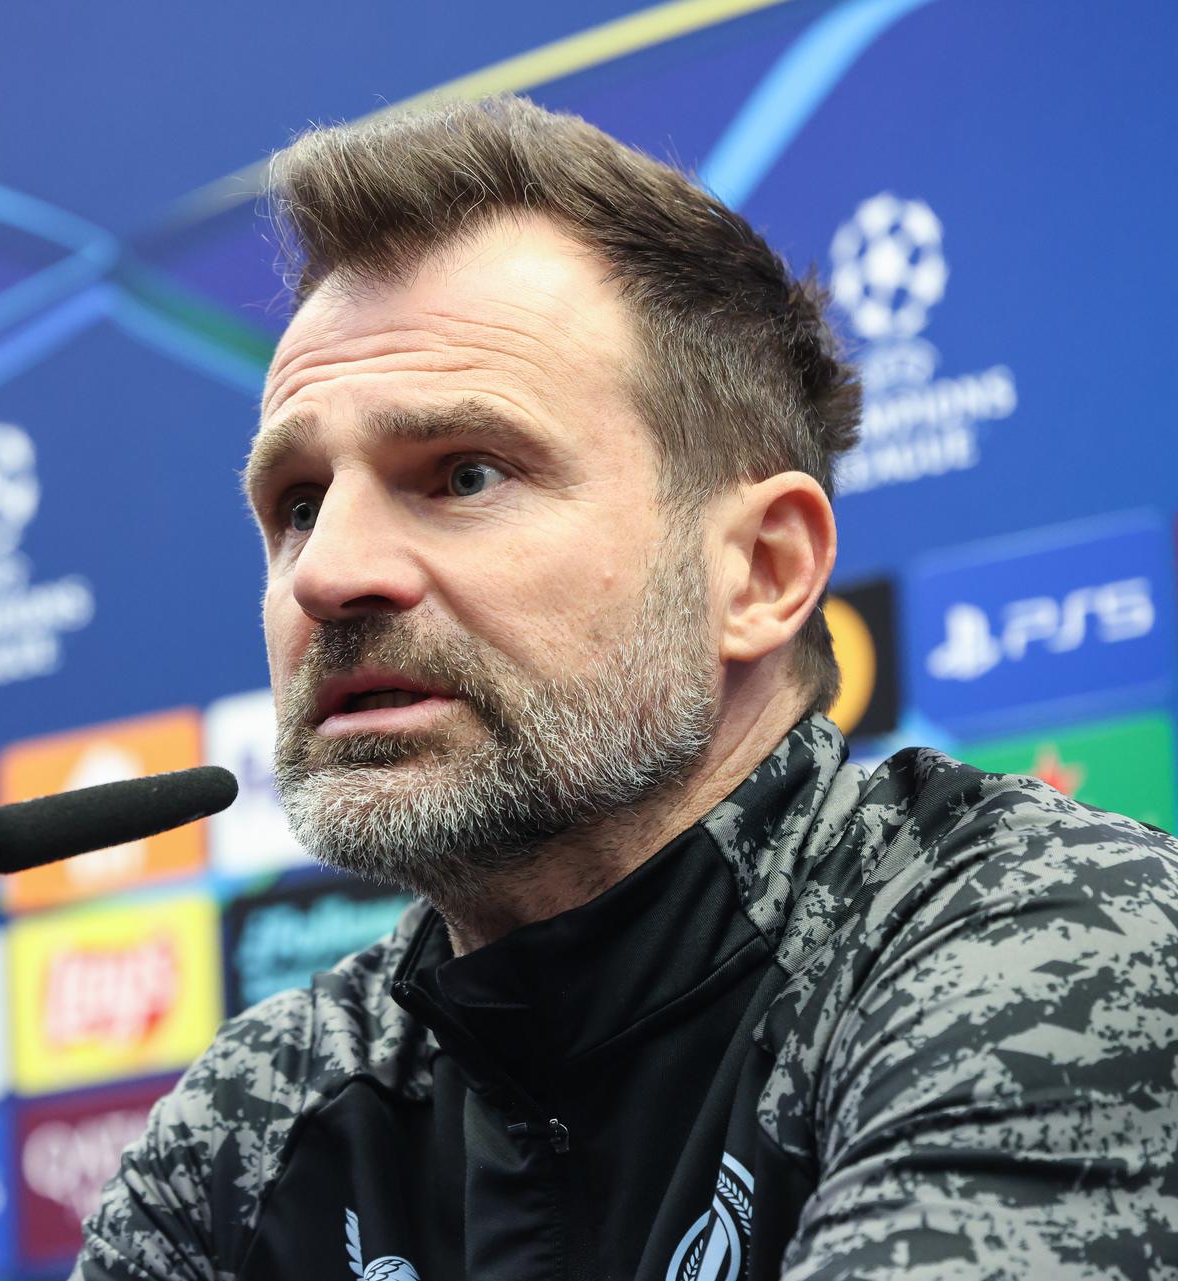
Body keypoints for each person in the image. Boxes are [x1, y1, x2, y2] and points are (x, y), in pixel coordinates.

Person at [72, 98, 1178, 1281]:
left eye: (464, 474)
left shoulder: (1053, 939)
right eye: (298, 505)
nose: (327, 574)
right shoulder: (258, 1126)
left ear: (760, 572)